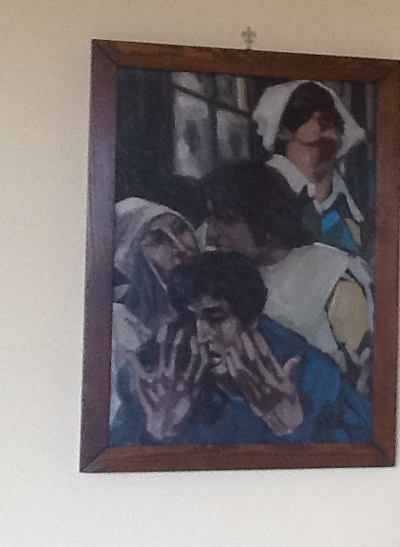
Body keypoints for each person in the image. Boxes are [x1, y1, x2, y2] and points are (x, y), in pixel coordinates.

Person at [109, 251, 372, 446]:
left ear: (251, 319)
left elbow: (361, 451)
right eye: (189, 319)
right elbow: (116, 460)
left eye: (216, 318)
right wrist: (156, 434)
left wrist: (294, 429)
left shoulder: (311, 372)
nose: (202, 335)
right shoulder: (152, 376)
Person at [200, 162, 375, 399]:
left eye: (228, 221)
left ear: (265, 217)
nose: (212, 234)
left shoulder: (333, 275)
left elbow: (366, 378)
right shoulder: (216, 280)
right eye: (210, 221)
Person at [252, 80, 368, 254]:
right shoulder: (261, 189)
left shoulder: (350, 200)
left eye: (329, 110)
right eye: (305, 110)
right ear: (282, 131)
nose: (321, 117)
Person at [111, 197, 199, 424]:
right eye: (158, 241)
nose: (180, 248)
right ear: (133, 259)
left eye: (180, 229)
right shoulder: (119, 324)